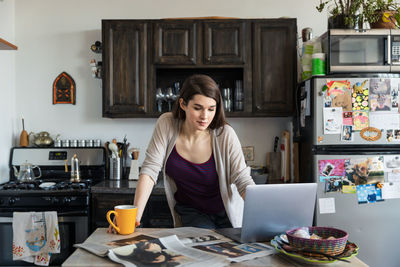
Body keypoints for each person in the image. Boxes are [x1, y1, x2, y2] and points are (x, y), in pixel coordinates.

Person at [109, 74, 255, 231]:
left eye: (211, 109)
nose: (205, 116)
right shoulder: (167, 124)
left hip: (226, 212)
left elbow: (242, 180)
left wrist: (263, 217)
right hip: (192, 212)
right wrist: (134, 217)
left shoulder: (225, 134)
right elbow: (150, 170)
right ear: (183, 104)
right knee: (201, 249)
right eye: (197, 108)